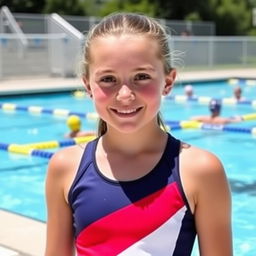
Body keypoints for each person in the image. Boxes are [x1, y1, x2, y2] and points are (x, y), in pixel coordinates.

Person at [45, 13, 233, 256]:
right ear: (88, 86)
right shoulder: (65, 168)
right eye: (108, 79)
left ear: (168, 81)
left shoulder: (200, 170)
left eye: (141, 77)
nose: (125, 94)